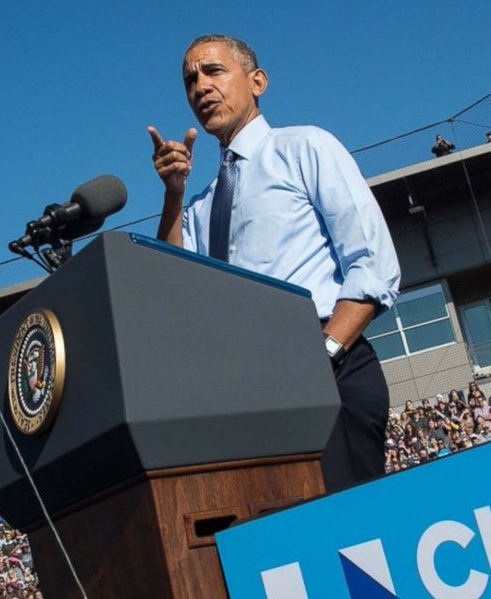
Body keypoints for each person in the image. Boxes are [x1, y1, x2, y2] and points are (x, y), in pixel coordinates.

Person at [148, 34, 401, 491]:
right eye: (190, 80)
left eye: (213, 71)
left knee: (350, 535)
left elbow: (373, 267)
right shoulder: (200, 207)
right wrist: (174, 195)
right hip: (251, 392)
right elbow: (175, 289)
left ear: (257, 81)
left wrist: (319, 356)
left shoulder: (306, 148)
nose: (200, 86)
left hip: (325, 368)